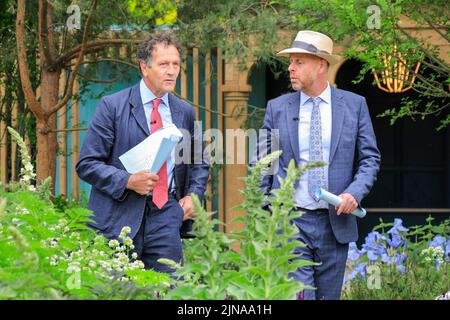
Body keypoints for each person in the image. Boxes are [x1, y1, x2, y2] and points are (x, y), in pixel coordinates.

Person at [255, 30, 381, 299]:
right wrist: (266, 210)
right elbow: (263, 165)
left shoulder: (354, 106)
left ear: (321, 65)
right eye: (290, 62)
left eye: (299, 62)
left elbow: (370, 159)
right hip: (291, 223)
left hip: (335, 222)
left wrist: (353, 194)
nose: (290, 68)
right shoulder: (277, 108)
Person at [76, 31, 209, 273]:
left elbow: (199, 160)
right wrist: (127, 181)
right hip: (118, 218)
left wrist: (193, 196)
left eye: (176, 64)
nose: (171, 71)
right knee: (118, 291)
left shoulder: (184, 112)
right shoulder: (112, 106)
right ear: (144, 67)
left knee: (170, 290)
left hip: (167, 215)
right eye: (163, 64)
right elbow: (87, 163)